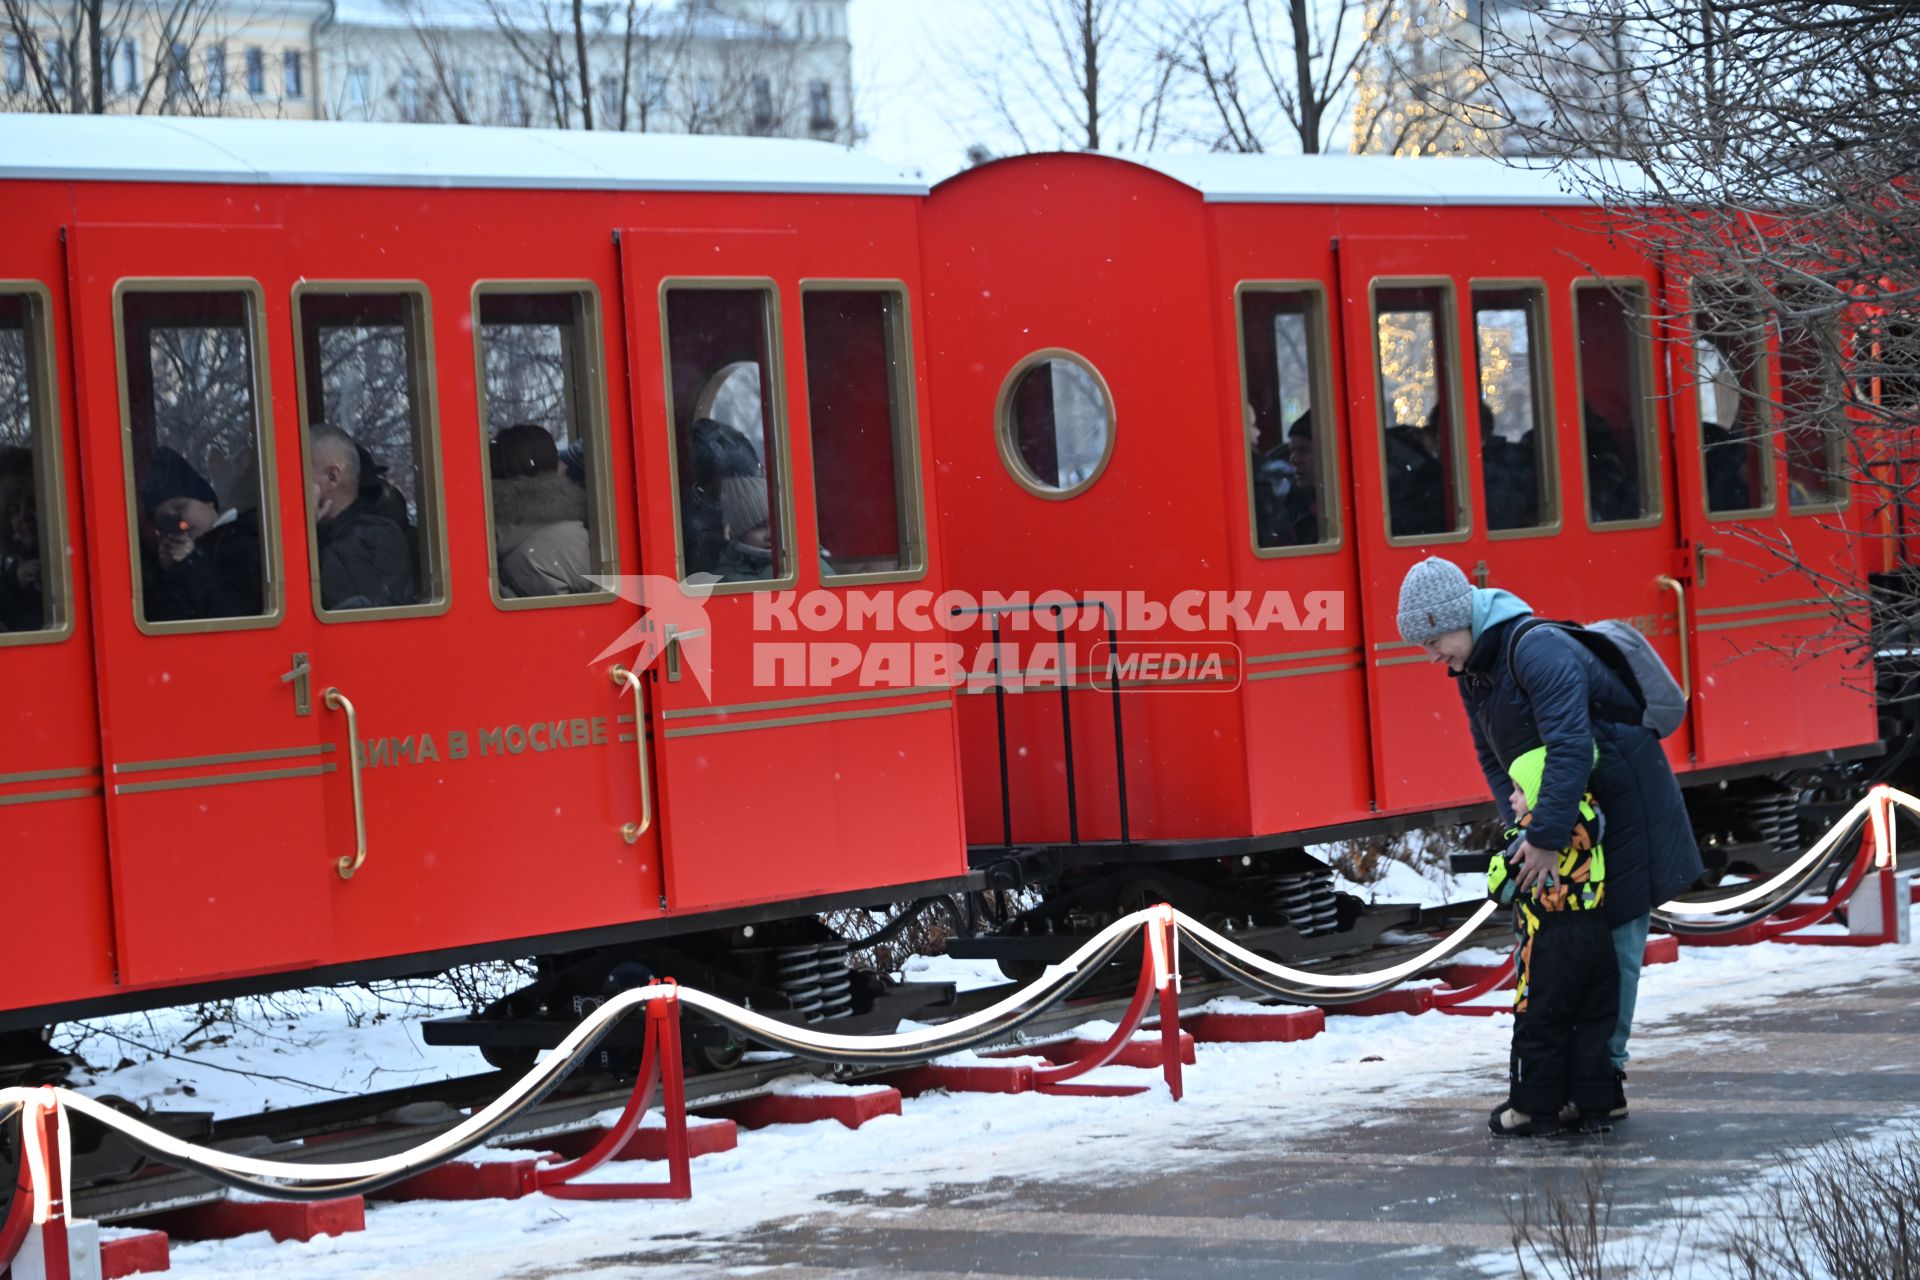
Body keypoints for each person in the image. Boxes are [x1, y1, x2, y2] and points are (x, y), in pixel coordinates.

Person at [1397, 556, 1704, 1122]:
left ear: (1461, 618)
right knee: (1566, 949)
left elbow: (1569, 746)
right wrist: (1523, 833)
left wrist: (1544, 836)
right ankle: (1570, 1087)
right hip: (1574, 815)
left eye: (1435, 640)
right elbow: (1495, 761)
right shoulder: (1474, 673)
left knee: (1614, 948)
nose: (1432, 656)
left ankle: (1603, 1081)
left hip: (1623, 806)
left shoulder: (1535, 649)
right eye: (1424, 646)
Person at [1484, 752, 1618, 1136]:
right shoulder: (1593, 828)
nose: (1512, 799)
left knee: (1539, 1022)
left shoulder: (1531, 839)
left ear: (1541, 796)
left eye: (1520, 790)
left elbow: (1500, 888)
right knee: (1592, 1022)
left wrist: (1503, 857)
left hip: (1549, 940)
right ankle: (1594, 1108)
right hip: (1596, 934)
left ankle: (1534, 1111)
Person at [138, 446, 264, 622]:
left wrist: (192, 563)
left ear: (208, 501)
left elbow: (239, 616)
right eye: (165, 520)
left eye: (181, 507)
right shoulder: (180, 560)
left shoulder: (247, 537)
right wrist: (169, 572)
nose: (178, 521)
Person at [308, 425, 416, 611]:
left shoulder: (372, 541)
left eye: (300, 472)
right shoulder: (334, 531)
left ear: (332, 477)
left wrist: (302, 532)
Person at [490, 423, 595, 597]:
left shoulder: (494, 527)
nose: (565, 466)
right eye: (555, 456)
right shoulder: (567, 540)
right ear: (543, 465)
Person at [0, 446, 43, 631]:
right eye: (14, 509)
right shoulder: (15, 558)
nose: (24, 517)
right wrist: (15, 581)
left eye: (32, 503)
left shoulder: (62, 557)